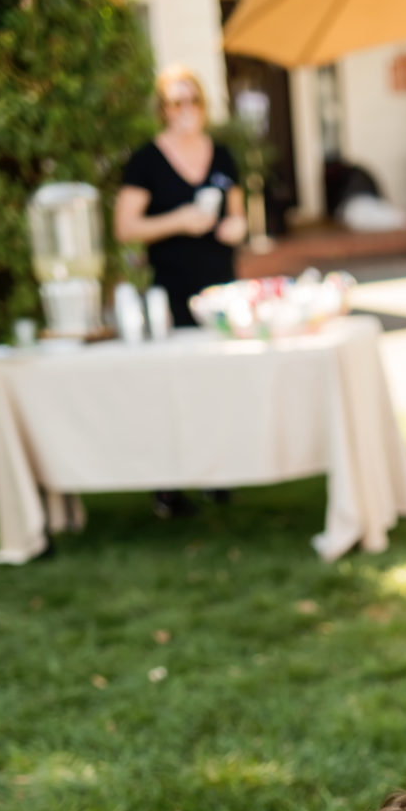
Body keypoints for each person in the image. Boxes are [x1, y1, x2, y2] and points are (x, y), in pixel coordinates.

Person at [114, 66, 247, 517]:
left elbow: (238, 215)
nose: (186, 110)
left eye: (193, 101)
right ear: (163, 109)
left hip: (219, 288)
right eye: (176, 102)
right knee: (172, 387)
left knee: (218, 383)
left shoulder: (223, 156)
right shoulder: (147, 161)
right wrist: (180, 221)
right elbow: (125, 227)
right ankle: (168, 485)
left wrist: (234, 227)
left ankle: (218, 472)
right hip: (170, 289)